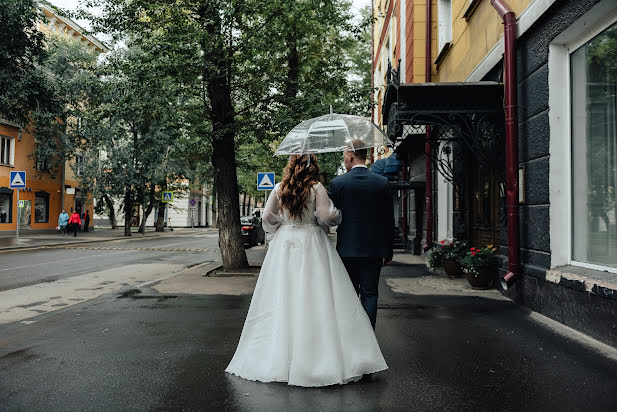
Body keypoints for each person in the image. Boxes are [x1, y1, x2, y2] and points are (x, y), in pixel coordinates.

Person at [226, 154, 387, 387]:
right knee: (316, 295)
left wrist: (283, 224)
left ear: (291, 165)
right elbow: (327, 216)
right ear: (312, 167)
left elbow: (267, 218)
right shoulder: (316, 188)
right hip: (312, 242)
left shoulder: (280, 188)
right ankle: (317, 353)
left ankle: (281, 356)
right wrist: (338, 216)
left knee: (282, 294)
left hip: (285, 242)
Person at [328, 140, 395, 329]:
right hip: (374, 250)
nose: (344, 159)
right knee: (370, 294)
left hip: (347, 249)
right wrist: (388, 251)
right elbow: (388, 220)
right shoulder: (381, 182)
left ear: (350, 155)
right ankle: (369, 339)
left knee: (349, 295)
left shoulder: (338, 183)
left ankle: (351, 337)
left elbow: (331, 216)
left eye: (344, 155)